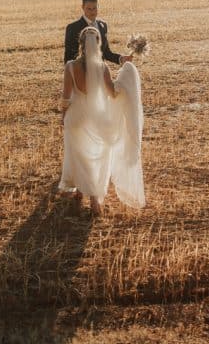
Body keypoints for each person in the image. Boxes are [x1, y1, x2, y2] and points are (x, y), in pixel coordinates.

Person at [58, 25, 145, 216]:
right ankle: (94, 200)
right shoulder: (103, 68)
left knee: (78, 155)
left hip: (76, 117)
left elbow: (65, 98)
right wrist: (126, 75)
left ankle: (80, 192)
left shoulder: (70, 67)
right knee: (95, 156)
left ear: (80, 44)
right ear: (98, 44)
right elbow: (113, 93)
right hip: (96, 117)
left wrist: (63, 117)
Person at [64, 0, 133, 66]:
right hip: (82, 72)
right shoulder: (73, 28)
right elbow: (69, 58)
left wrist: (121, 58)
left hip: (100, 70)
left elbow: (106, 52)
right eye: (89, 9)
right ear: (82, 7)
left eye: (94, 8)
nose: (92, 11)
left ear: (98, 6)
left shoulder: (103, 25)